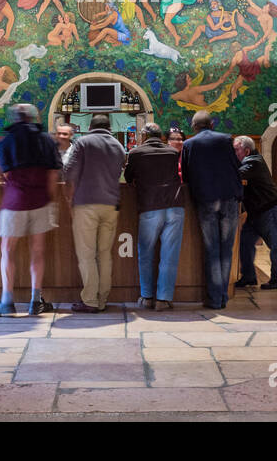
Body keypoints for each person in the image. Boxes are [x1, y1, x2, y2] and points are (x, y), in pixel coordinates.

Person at [0, 104, 62, 318]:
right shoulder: (47, 140)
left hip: (14, 202)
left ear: (15, 118)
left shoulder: (6, 141)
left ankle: (7, 302)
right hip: (41, 202)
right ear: (33, 117)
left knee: (8, 251)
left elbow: (2, 174)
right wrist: (50, 199)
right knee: (38, 252)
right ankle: (35, 301)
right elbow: (53, 174)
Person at [64, 112, 126, 312]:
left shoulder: (82, 142)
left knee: (87, 254)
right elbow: (119, 172)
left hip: (86, 203)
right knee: (105, 254)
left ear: (90, 127)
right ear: (110, 128)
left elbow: (69, 170)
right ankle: (102, 299)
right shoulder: (118, 146)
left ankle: (90, 300)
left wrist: (69, 194)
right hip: (111, 204)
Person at [181, 110, 243, 309]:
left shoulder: (189, 144)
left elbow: (187, 175)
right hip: (229, 197)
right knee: (226, 248)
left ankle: (215, 299)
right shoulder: (226, 139)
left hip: (206, 199)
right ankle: (223, 295)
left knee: (212, 249)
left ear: (194, 127)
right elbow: (236, 166)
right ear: (212, 124)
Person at [125, 123, 183, 309]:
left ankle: (147, 296)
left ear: (143, 135)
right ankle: (164, 299)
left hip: (150, 206)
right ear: (161, 137)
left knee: (146, 254)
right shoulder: (173, 153)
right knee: (169, 255)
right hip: (175, 206)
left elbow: (128, 178)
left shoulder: (136, 153)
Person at [231, 135, 277, 290]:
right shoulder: (250, 160)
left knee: (275, 245)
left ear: (246, 151)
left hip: (268, 210)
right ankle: (248, 277)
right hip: (256, 212)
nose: (234, 153)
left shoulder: (253, 162)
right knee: (245, 244)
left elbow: (236, 176)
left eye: (236, 150)